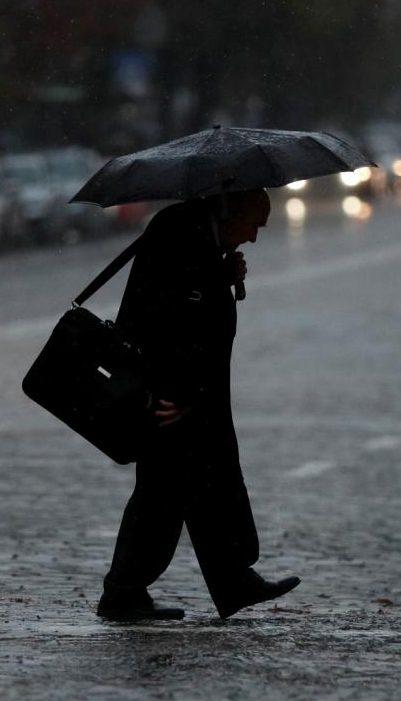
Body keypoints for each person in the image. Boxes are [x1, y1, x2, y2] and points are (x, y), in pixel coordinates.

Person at [98, 188, 300, 621]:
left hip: (192, 392)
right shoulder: (181, 232)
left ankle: (230, 581)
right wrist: (179, 392)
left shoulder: (198, 236)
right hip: (171, 394)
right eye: (253, 225)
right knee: (165, 494)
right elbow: (167, 318)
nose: (253, 237)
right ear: (232, 211)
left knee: (200, 485)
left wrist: (221, 272)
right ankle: (124, 592)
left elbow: (190, 298)